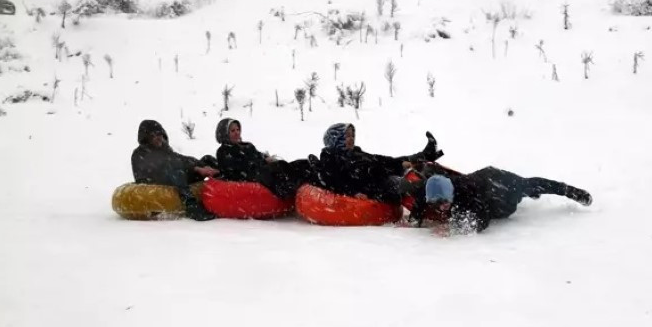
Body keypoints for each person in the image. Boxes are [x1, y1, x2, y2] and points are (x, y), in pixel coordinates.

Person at [407, 166, 593, 234]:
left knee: (530, 185)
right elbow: (421, 198)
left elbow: (481, 221)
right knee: (529, 188)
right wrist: (415, 218)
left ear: (450, 194)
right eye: (435, 203)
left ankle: (571, 191)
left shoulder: (467, 197)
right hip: (486, 177)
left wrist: (456, 228)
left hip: (500, 189)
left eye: (442, 202)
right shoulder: (434, 189)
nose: (440, 207)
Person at [314, 123, 443, 203]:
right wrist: (353, 193)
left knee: (390, 161)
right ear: (335, 140)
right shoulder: (330, 157)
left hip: (380, 177)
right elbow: (333, 180)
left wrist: (400, 164)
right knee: (411, 186)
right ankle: (437, 197)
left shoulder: (355, 153)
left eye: (352, 135)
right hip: (374, 187)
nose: (351, 138)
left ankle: (425, 156)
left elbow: (378, 160)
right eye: (347, 136)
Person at [131, 120, 219, 221]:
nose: (158, 138)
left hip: (177, 179)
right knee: (174, 169)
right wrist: (195, 168)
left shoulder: (164, 149)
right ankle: (190, 204)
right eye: (153, 135)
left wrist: (202, 165)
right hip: (157, 184)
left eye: (159, 134)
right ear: (146, 138)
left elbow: (181, 159)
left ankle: (224, 185)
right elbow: (158, 168)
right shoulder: (140, 154)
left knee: (207, 159)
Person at [214, 118, 314, 199]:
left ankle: (313, 179)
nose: (237, 133)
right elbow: (242, 167)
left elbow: (258, 155)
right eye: (232, 131)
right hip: (251, 177)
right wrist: (262, 162)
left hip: (261, 169)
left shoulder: (247, 145)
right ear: (225, 134)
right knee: (279, 167)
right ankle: (292, 191)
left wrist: (266, 158)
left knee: (299, 164)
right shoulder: (224, 151)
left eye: (238, 130)